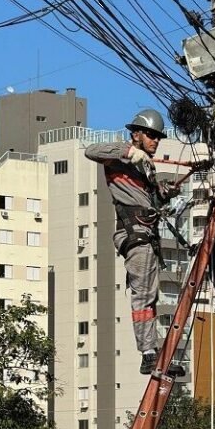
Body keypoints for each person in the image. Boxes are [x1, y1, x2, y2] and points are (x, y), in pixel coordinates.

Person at [85, 108, 185, 376]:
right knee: (143, 295)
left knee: (151, 296)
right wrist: (129, 151)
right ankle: (148, 354)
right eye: (151, 136)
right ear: (136, 135)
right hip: (134, 234)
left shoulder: (145, 167)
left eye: (157, 138)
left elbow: (149, 198)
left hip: (147, 236)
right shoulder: (121, 157)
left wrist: (166, 192)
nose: (155, 141)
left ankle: (152, 352)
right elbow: (91, 150)